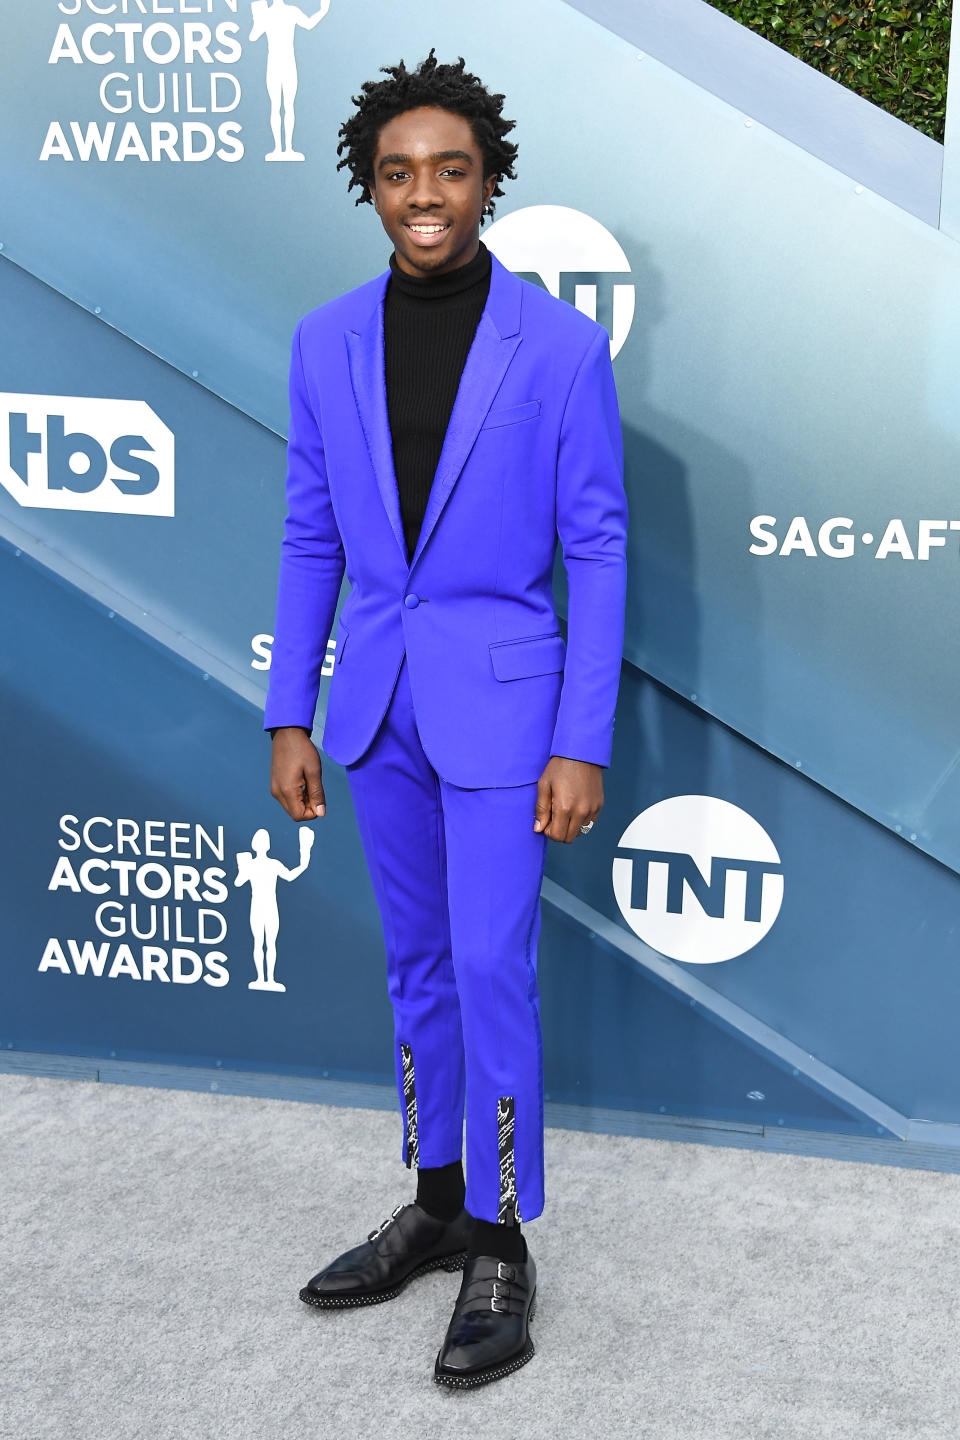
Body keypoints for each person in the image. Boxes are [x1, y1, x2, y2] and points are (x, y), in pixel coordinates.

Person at [264, 48, 628, 1388]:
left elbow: (598, 548)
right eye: (399, 172)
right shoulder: (321, 341)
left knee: (489, 968)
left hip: (508, 715)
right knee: (418, 971)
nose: (426, 193)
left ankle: (502, 1235)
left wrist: (579, 738)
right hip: (376, 710)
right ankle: (432, 1199)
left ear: (490, 183)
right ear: (371, 186)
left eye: (452, 170)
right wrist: (286, 712)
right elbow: (311, 538)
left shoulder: (561, 346)